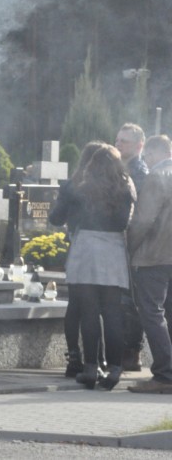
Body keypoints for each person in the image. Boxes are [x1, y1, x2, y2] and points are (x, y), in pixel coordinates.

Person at [59, 145, 135, 390]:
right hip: (113, 247)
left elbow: (56, 217)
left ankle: (91, 367)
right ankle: (114, 369)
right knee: (113, 312)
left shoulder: (79, 186)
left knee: (89, 311)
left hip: (86, 247)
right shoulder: (125, 186)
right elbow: (126, 221)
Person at [49, 141, 109, 378]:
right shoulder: (112, 185)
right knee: (100, 306)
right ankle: (100, 359)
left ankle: (74, 357)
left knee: (76, 305)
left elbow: (55, 218)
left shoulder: (72, 185)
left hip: (80, 245)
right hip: (107, 249)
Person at [127, 135, 172, 394]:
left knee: (152, 314)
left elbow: (143, 221)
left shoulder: (157, 177)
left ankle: (164, 374)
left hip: (153, 256)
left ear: (152, 154)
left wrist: (130, 248)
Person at [115, 122, 149, 371]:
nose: (118, 144)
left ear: (139, 146)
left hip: (133, 243)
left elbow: (139, 214)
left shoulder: (139, 172)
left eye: (124, 141)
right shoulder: (120, 168)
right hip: (120, 241)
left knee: (130, 301)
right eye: (117, 140)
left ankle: (132, 352)